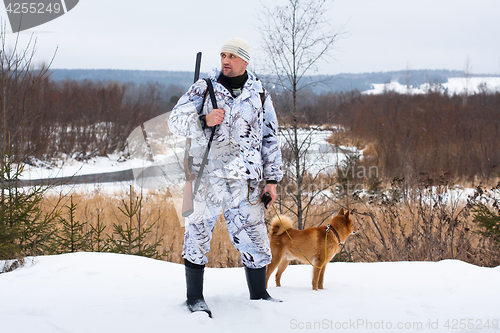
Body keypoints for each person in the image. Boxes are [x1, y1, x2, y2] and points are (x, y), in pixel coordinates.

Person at [168, 37, 283, 317]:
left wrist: (272, 180)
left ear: (245, 61)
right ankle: (195, 298)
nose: (226, 60)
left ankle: (259, 295)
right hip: (207, 176)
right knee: (196, 236)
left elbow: (270, 138)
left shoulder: (260, 94)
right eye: (223, 55)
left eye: (232, 56)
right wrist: (202, 121)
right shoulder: (204, 88)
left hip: (246, 181)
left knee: (254, 236)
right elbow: (174, 121)